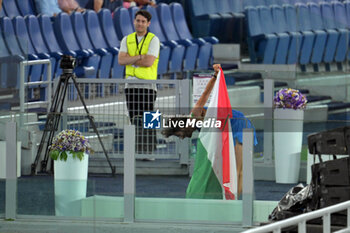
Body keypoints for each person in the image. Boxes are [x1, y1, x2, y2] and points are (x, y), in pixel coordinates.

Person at [118, 9, 160, 154]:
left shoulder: (153, 39)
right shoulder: (126, 39)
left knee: (149, 118)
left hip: (148, 86)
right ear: (134, 21)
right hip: (130, 85)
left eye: (143, 21)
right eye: (138, 21)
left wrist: (132, 58)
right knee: (134, 118)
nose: (140, 24)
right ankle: (137, 150)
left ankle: (150, 151)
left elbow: (149, 61)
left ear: (148, 24)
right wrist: (139, 57)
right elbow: (121, 60)